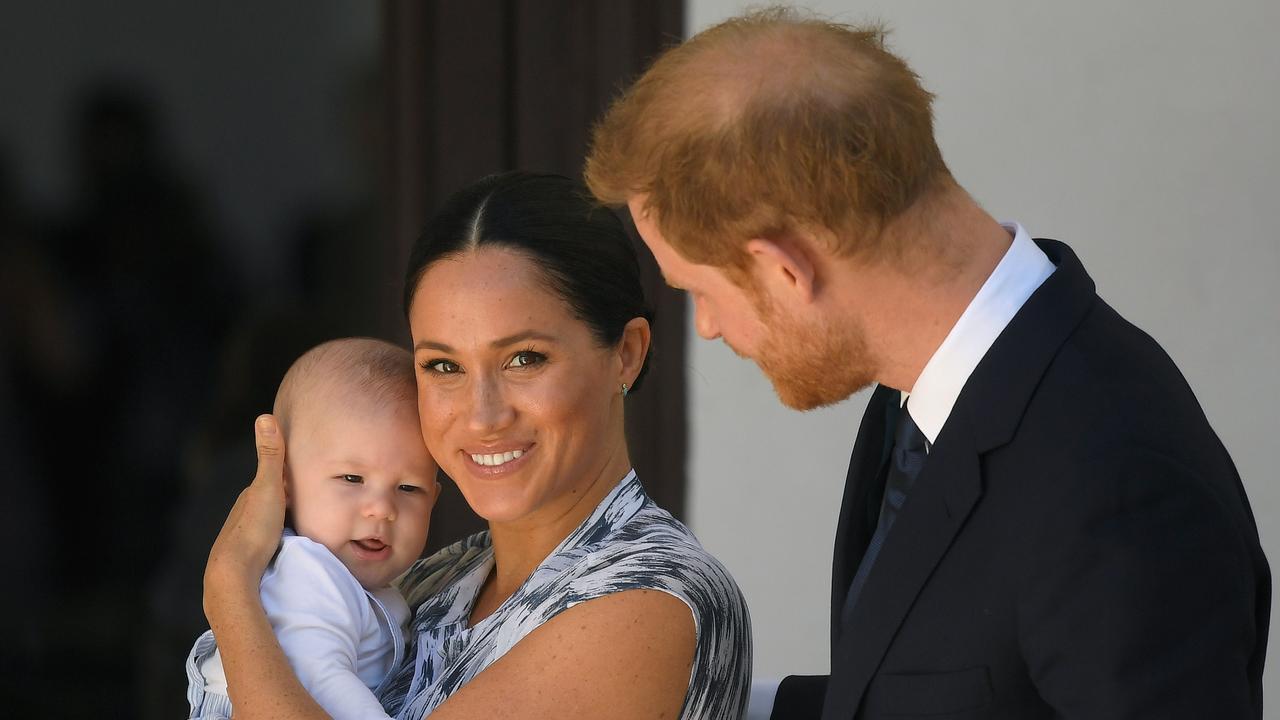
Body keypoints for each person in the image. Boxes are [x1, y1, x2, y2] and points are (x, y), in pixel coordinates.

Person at [585, 8, 1269, 720]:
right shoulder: (929, 389)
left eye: (699, 290)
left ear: (785, 270)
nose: (711, 327)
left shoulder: (1118, 483)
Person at [201, 171, 752, 719]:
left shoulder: (646, 598)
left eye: (524, 359)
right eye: (444, 366)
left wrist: (230, 588)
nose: (483, 416)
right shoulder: (440, 578)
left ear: (626, 354)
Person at [186, 337, 440, 719]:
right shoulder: (308, 574)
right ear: (284, 484)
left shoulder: (359, 583)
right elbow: (319, 681)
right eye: (352, 478)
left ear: (434, 499)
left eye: (408, 488)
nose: (382, 509)